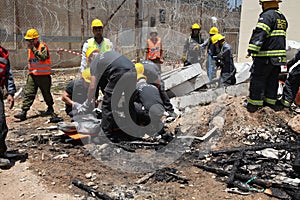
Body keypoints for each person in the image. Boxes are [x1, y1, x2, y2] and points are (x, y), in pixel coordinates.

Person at [79, 51, 136, 139]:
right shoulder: (107, 56)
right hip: (133, 70)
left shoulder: (95, 62)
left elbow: (92, 86)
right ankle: (132, 130)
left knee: (108, 104)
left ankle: (105, 135)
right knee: (129, 103)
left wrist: (87, 103)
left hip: (119, 73)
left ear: (90, 58)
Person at [245, 0, 288, 112]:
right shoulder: (281, 17)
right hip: (277, 58)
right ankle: (270, 103)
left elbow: (260, 32)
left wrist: (252, 49)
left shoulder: (267, 16)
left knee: (258, 79)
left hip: (266, 56)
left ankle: (255, 105)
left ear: (266, 3)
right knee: (272, 80)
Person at [14, 29, 54, 121]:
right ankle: (24, 112)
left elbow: (43, 58)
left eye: (31, 40)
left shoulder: (42, 47)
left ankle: (50, 108)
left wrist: (34, 49)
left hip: (43, 75)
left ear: (36, 39)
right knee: (29, 93)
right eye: (28, 40)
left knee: (46, 93)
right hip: (33, 75)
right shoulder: (30, 49)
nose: (29, 42)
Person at [130, 63, 165, 132]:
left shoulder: (137, 88)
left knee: (131, 104)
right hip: (161, 113)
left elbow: (132, 101)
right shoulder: (153, 87)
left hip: (149, 116)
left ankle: (138, 126)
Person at [0, 45, 16, 166]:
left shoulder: (3, 54)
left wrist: (10, 93)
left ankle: (1, 152)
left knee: (1, 124)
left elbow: (8, 75)